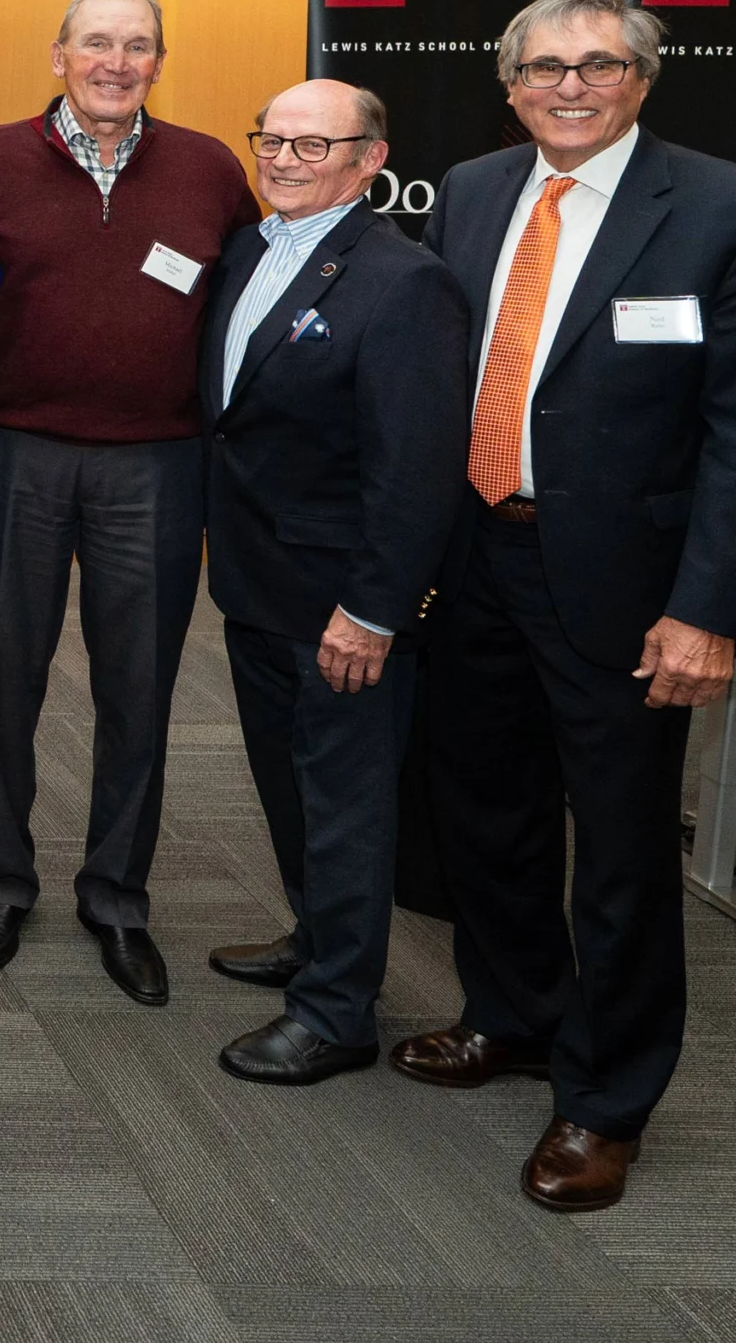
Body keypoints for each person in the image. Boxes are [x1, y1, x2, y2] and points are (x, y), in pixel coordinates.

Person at [392, 0, 736, 1211]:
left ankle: (605, 1098)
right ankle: (512, 1016)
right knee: (484, 812)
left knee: (616, 850)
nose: (568, 85)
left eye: (597, 64)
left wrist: (707, 608)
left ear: (640, 79)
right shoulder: (473, 185)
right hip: (478, 555)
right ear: (507, 83)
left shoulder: (721, 205)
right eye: (541, 66)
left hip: (627, 585)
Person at [0, 0, 260, 1005]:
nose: (114, 61)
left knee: (139, 687)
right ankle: (2, 876)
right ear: (58, 54)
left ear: (158, 63)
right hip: (11, 453)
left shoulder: (211, 168)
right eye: (96, 42)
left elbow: (250, 300)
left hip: (157, 462)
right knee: (5, 676)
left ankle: (117, 895)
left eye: (136, 46)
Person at [197, 80, 468, 1085]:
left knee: (345, 797)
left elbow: (416, 466)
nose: (284, 158)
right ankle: (318, 939)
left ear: (370, 159)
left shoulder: (402, 282)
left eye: (314, 146)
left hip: (341, 602)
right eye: (271, 138)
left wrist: (373, 606)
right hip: (254, 583)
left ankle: (338, 1008)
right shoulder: (246, 251)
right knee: (287, 782)